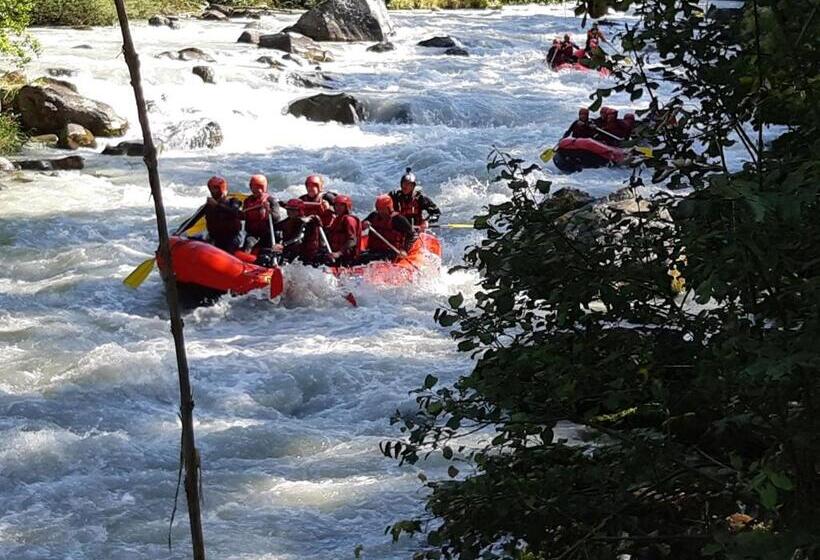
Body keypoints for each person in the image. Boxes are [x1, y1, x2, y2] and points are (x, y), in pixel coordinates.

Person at [360, 195, 417, 263]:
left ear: (389, 208)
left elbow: (412, 235)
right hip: (373, 250)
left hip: (391, 252)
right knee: (360, 258)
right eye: (378, 208)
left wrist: (404, 250)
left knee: (371, 259)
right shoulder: (374, 216)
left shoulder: (398, 219)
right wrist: (363, 225)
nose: (380, 211)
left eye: (382, 209)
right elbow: (359, 228)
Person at [273, 198, 324, 265]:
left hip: (303, 255)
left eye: (292, 210)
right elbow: (275, 227)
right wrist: (272, 212)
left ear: (299, 211)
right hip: (290, 251)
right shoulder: (289, 220)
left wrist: (283, 245)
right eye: (288, 209)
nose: (289, 212)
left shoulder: (305, 222)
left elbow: (298, 239)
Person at [241, 174, 282, 251]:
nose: (256, 190)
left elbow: (277, 219)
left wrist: (268, 211)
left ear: (264, 188)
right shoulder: (247, 201)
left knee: (265, 251)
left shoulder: (271, 200)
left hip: (267, 234)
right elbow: (243, 216)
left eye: (259, 188)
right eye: (254, 187)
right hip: (253, 234)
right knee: (248, 243)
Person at [204, 176, 243, 253]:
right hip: (214, 237)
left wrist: (217, 205)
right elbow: (193, 219)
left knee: (229, 249)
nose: (213, 191)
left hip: (231, 238)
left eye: (215, 189)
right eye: (211, 189)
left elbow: (235, 212)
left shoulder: (233, 201)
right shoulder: (209, 205)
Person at [326, 195, 361, 266]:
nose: (338, 208)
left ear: (347, 207)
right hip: (335, 254)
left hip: (346, 258)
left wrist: (339, 253)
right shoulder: (337, 219)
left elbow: (353, 241)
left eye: (341, 206)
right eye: (336, 205)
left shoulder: (349, 220)